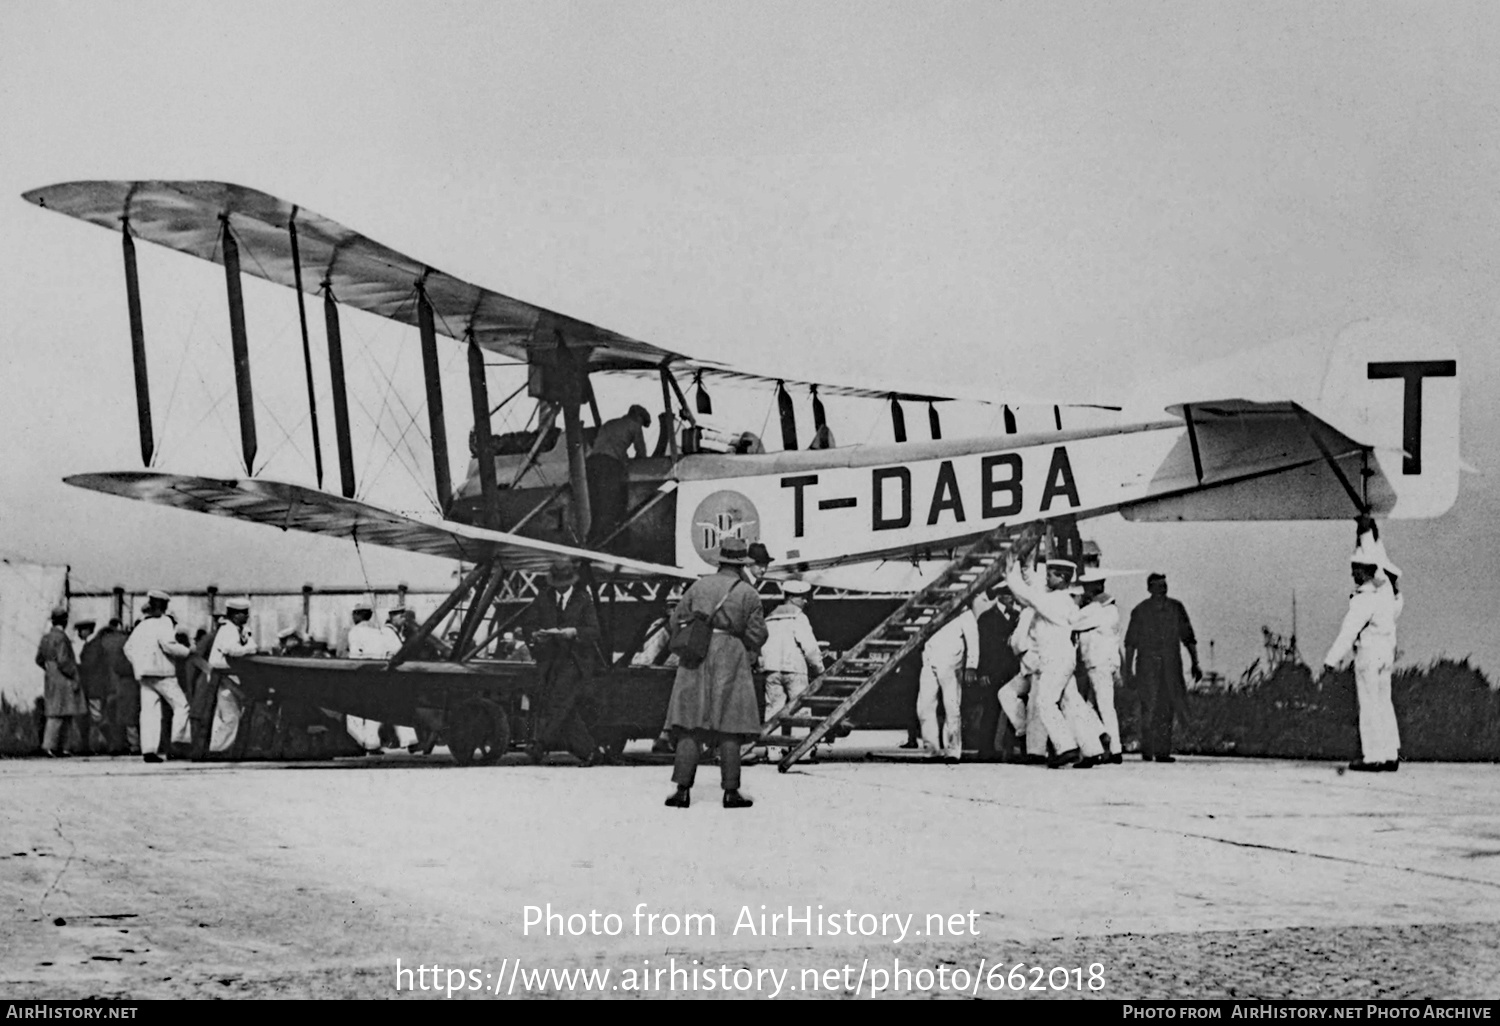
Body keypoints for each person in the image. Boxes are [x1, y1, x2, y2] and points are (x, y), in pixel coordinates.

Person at [662, 538, 768, 808]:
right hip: (731, 656)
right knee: (730, 727)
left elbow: (675, 621)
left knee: (690, 724)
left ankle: (682, 791)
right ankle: (731, 792)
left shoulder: (698, 586)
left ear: (720, 560)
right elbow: (758, 634)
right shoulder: (748, 593)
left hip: (696, 656)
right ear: (742, 562)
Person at [1006, 558, 1102, 768]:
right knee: (1071, 702)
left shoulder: (1054, 601)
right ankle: (1092, 748)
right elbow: (1035, 587)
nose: (1046, 577)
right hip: (1064, 659)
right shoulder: (1063, 599)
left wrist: (1010, 570)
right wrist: (1025, 567)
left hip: (1054, 659)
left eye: (1050, 574)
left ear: (1061, 577)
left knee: (1045, 702)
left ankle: (1066, 747)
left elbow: (1027, 595)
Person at [1321, 525, 1403, 772]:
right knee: (1383, 702)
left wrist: (1330, 661)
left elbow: (1348, 633)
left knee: (1368, 704)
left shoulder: (1363, 600)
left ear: (1363, 571)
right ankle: (1389, 754)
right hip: (1386, 654)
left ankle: (1372, 757)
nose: (1353, 574)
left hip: (1368, 655)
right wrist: (1368, 534)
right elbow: (1379, 559)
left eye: (1355, 569)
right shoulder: (1386, 594)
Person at [524, 559, 602, 765]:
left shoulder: (583, 600)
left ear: (571, 582)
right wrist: (535, 636)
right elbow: (528, 624)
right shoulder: (543, 598)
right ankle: (589, 751)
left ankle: (540, 745)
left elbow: (594, 631)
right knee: (561, 706)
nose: (560, 588)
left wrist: (574, 632)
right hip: (549, 659)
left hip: (574, 661)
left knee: (557, 701)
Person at [1123, 572, 1202, 763]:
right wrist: (1127, 670)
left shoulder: (1176, 608)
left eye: (1164, 586)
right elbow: (1130, 643)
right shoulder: (1140, 611)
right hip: (1147, 668)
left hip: (1171, 667)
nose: (1162, 589)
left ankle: (1163, 751)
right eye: (1158, 586)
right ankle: (1148, 750)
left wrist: (1195, 663)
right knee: (1148, 708)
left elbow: (1188, 637)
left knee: (1167, 708)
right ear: (1149, 588)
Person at [122, 590, 193, 763]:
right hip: (163, 673)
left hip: (144, 674)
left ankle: (149, 750)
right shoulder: (165, 622)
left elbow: (127, 648)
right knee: (182, 706)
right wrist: (188, 652)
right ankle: (178, 744)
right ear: (165, 606)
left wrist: (139, 664)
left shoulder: (141, 625)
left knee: (149, 711)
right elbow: (169, 645)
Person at [917, 592, 989, 762]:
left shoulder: (964, 613)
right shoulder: (930, 612)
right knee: (924, 707)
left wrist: (971, 666)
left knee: (952, 707)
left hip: (952, 664)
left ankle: (953, 751)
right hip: (929, 661)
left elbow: (973, 641)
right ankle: (931, 750)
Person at [757, 579, 824, 754]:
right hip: (794, 669)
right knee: (800, 710)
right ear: (793, 598)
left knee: (773, 709)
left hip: (772, 670)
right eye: (803, 597)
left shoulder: (770, 617)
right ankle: (801, 751)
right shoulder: (799, 617)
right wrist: (819, 669)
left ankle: (773, 751)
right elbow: (810, 648)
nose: (805, 601)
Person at [193, 597, 257, 759]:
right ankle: (217, 750)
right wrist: (249, 648)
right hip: (222, 678)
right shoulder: (228, 630)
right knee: (230, 716)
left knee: (229, 715)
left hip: (226, 677)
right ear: (235, 615)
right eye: (244, 613)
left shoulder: (237, 630)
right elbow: (231, 650)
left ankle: (218, 748)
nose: (247, 616)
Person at [1074, 571, 1125, 764]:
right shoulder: (1111, 609)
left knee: (1100, 706)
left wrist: (1078, 605)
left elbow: (1074, 622)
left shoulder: (1096, 608)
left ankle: (1109, 743)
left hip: (1097, 663)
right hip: (1106, 662)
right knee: (1096, 706)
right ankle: (1112, 747)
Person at [587, 404, 652, 544]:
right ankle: (608, 543)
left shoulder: (610, 423)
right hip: (608, 467)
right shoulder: (634, 425)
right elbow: (641, 454)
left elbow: (601, 445)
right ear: (638, 417)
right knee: (612, 505)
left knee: (595, 507)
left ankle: (590, 541)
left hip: (591, 464)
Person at [343, 600, 392, 754]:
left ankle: (357, 744)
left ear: (358, 615)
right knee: (373, 712)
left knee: (354, 712)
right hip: (378, 675)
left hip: (361, 674)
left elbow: (355, 656)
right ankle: (373, 745)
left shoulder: (355, 632)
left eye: (354, 614)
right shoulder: (378, 631)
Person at [35, 606, 85, 756]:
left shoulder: (45, 638)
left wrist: (50, 670)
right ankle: (55, 746)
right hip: (64, 679)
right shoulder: (62, 638)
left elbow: (38, 659)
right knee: (64, 714)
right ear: (65, 620)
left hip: (51, 679)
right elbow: (64, 661)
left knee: (55, 712)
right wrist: (74, 676)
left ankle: (54, 746)